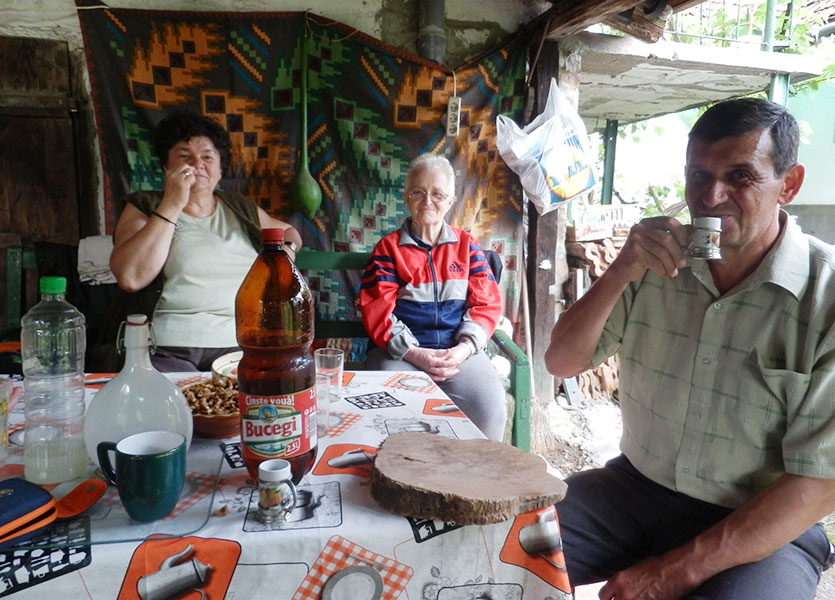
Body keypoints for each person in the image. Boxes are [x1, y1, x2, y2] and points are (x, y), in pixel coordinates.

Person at [545, 97, 835, 600]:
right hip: (631, 489)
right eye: (698, 175)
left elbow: (821, 481)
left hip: (761, 522)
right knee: (493, 549)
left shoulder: (825, 296)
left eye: (740, 176)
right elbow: (562, 361)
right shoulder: (655, 265)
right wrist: (621, 269)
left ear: (788, 185)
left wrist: (674, 570)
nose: (712, 195)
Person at [109, 110, 302, 372]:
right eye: (184, 155)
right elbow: (130, 277)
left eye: (208, 157)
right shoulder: (144, 205)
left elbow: (289, 232)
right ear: (166, 166)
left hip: (241, 344)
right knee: (170, 407)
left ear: (220, 170)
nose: (197, 163)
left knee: (255, 400)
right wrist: (173, 203)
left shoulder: (239, 208)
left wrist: (286, 251)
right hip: (166, 347)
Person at [359, 153, 508, 441]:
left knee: (488, 406)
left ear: (451, 201)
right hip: (400, 354)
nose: (428, 201)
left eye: (438, 194)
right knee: (389, 408)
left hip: (457, 352)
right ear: (407, 198)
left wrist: (462, 349)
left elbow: (486, 304)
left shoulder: (468, 247)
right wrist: (415, 354)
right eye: (419, 192)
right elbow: (377, 312)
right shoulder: (388, 250)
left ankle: (477, 481)